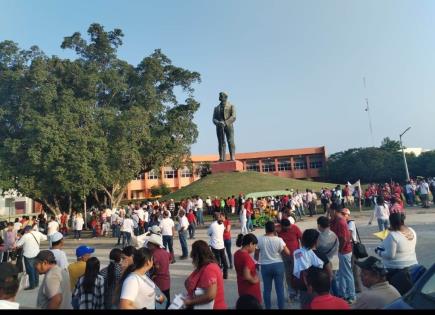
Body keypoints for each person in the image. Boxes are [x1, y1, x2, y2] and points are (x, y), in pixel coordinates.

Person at [375, 212, 418, 295]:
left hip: (396, 269)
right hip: (413, 265)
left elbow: (390, 255)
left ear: (391, 222)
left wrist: (378, 252)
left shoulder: (393, 235)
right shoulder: (411, 230)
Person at [254, 221, 290, 309]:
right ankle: (281, 307)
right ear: (274, 229)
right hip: (278, 265)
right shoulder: (279, 240)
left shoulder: (260, 239)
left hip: (265, 266)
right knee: (280, 289)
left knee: (267, 289)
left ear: (265, 229)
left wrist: (257, 263)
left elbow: (256, 254)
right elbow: (288, 252)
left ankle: (268, 307)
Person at [292, 229, 331, 308]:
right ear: (316, 240)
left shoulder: (297, 253)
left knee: (305, 306)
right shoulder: (321, 255)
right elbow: (329, 273)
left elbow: (296, 269)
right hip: (319, 289)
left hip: (303, 288)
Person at [183, 240, 227, 309]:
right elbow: (187, 282)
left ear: (197, 256)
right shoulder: (203, 266)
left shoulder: (209, 269)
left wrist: (190, 302)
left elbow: (210, 295)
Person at [330, 205, 356, 303]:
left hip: (344, 251)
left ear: (334, 210)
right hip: (340, 251)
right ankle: (343, 294)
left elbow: (344, 238)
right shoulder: (336, 220)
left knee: (347, 274)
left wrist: (339, 251)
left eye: (330, 211)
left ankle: (352, 296)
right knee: (341, 274)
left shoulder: (341, 222)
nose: (329, 213)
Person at [15, 225, 47, 290]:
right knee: (36, 269)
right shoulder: (37, 233)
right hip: (37, 254)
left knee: (30, 270)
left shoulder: (25, 236)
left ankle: (32, 285)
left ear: (26, 230)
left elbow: (18, 244)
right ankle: (36, 283)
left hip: (28, 255)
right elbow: (45, 238)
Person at [277, 218, 302, 300]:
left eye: (289, 227)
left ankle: (299, 291)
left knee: (298, 273)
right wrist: (277, 229)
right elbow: (270, 231)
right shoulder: (279, 228)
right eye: (286, 228)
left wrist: (303, 251)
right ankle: (292, 292)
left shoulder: (295, 228)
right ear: (282, 226)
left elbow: (302, 238)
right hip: (285, 255)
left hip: (297, 254)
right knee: (288, 274)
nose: (288, 228)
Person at [234, 233, 261, 304]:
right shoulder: (247, 258)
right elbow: (247, 275)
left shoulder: (237, 253)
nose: (255, 248)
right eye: (255, 245)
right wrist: (255, 280)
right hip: (250, 291)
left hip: (242, 287)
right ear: (250, 244)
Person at [146, 233, 171, 309]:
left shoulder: (152, 254)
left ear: (153, 244)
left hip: (157, 281)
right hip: (166, 280)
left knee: (159, 303)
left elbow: (155, 268)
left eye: (149, 243)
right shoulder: (166, 252)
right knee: (167, 300)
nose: (147, 244)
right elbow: (170, 260)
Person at [316, 216, 339, 296]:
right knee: (334, 281)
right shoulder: (334, 234)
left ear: (319, 225)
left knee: (327, 283)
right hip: (335, 260)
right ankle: (337, 298)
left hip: (326, 263)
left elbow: (317, 251)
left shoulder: (320, 237)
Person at [342, 208, 363, 294]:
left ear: (348, 215)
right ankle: (352, 287)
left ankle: (357, 287)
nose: (343, 216)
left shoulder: (351, 222)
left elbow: (349, 235)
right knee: (349, 268)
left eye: (344, 214)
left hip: (352, 246)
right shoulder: (344, 223)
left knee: (354, 268)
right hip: (348, 246)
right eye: (342, 214)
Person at [212, 92, 236, 161]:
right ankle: (222, 158)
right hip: (219, 126)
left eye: (221, 96)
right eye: (219, 96)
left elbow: (233, 117)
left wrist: (225, 122)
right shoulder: (216, 108)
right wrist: (218, 123)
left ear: (225, 97)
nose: (219, 97)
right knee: (221, 142)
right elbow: (214, 119)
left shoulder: (231, 106)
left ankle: (232, 157)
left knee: (230, 140)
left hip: (228, 125)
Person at [208, 212, 229, 279]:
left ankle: (218, 274)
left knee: (217, 261)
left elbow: (209, 233)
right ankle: (225, 275)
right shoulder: (222, 224)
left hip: (214, 245)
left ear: (213, 218)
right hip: (221, 245)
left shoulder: (212, 225)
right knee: (224, 259)